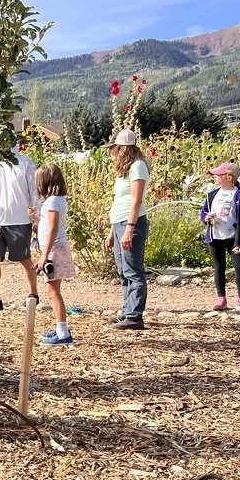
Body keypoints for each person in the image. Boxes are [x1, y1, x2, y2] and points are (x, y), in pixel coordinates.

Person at [0, 144, 39, 311]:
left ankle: (34, 293)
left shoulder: (26, 163)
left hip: (20, 220)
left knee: (25, 259)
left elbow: (34, 190)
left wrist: (36, 218)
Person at [104, 129, 150, 330]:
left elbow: (136, 200)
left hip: (132, 222)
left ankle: (134, 315)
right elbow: (120, 201)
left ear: (122, 148)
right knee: (124, 270)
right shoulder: (125, 170)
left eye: (113, 148)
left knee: (133, 269)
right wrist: (113, 231)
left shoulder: (138, 167)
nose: (110, 153)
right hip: (120, 223)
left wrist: (129, 229)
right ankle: (128, 310)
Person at [201, 162, 240, 313]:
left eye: (218, 175)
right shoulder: (212, 195)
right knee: (218, 267)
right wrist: (205, 217)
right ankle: (221, 298)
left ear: (229, 177)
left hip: (233, 237)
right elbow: (204, 211)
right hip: (215, 236)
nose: (214, 177)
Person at [29, 163, 77, 346]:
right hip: (55, 249)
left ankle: (63, 333)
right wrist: (36, 217)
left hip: (54, 251)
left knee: (53, 292)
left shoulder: (52, 202)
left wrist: (44, 255)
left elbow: (53, 229)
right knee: (53, 291)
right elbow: (48, 224)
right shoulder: (57, 201)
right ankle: (60, 329)